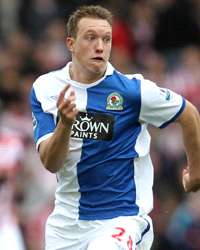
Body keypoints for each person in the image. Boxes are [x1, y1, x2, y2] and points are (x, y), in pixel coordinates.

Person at [30, 5, 200, 250]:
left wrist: (195, 170)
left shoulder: (133, 91)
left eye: (106, 39)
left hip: (122, 219)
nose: (100, 46)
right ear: (71, 43)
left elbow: (189, 113)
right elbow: (51, 163)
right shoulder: (45, 88)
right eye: (91, 38)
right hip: (67, 224)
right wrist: (66, 125)